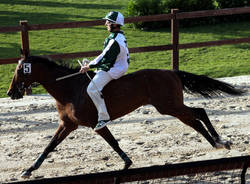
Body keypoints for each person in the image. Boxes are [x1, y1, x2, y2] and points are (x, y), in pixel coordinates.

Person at [80, 11, 129, 131]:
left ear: (115, 24)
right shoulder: (116, 36)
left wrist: (89, 66)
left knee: (91, 88)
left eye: (108, 21)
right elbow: (104, 55)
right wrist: (91, 64)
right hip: (114, 64)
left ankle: (103, 117)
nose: (105, 24)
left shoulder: (115, 40)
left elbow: (105, 56)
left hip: (116, 68)